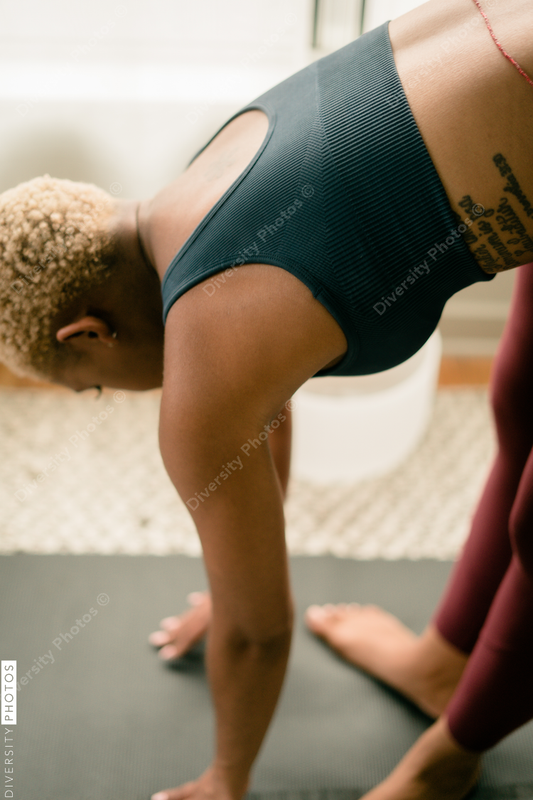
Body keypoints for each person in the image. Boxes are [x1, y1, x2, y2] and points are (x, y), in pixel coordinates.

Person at [1, 0, 532, 797]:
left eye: (99, 387)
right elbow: (258, 407)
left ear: (88, 335)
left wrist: (225, 780)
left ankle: (448, 762)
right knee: (521, 402)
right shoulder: (211, 173)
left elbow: (258, 636)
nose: (119, 394)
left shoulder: (205, 359)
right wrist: (234, 579)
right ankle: (442, 661)